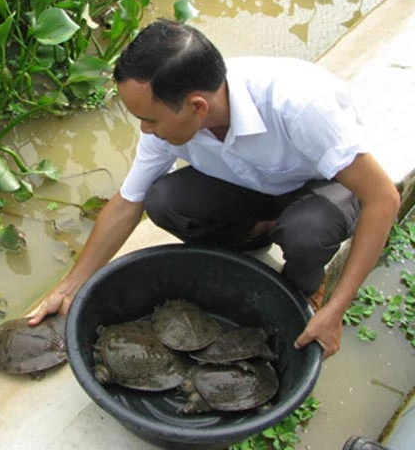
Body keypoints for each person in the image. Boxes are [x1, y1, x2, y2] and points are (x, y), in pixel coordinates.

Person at [27, 19, 400, 359]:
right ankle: (253, 238)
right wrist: (70, 286)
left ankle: (304, 290)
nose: (144, 130)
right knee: (164, 201)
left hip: (323, 185)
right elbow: (128, 203)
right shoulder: (170, 119)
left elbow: (382, 198)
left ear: (197, 106)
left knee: (306, 232)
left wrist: (337, 310)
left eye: (149, 119)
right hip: (250, 185)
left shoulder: (297, 104)